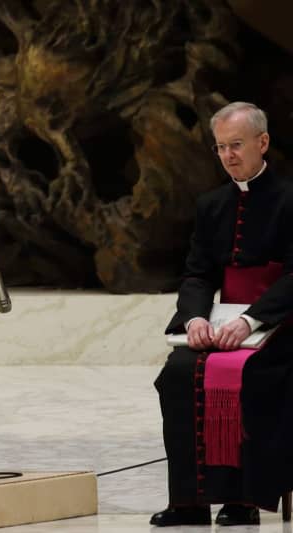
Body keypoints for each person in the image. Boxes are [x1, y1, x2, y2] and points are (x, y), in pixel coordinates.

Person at [152, 102, 293, 527]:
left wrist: (251, 321)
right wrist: (194, 319)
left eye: (236, 145)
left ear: (262, 142)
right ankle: (188, 502)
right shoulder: (212, 204)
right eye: (220, 148)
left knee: (253, 377)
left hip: (281, 326)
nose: (229, 155)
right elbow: (198, 272)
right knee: (177, 372)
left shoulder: (290, 199)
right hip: (223, 325)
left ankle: (243, 499)